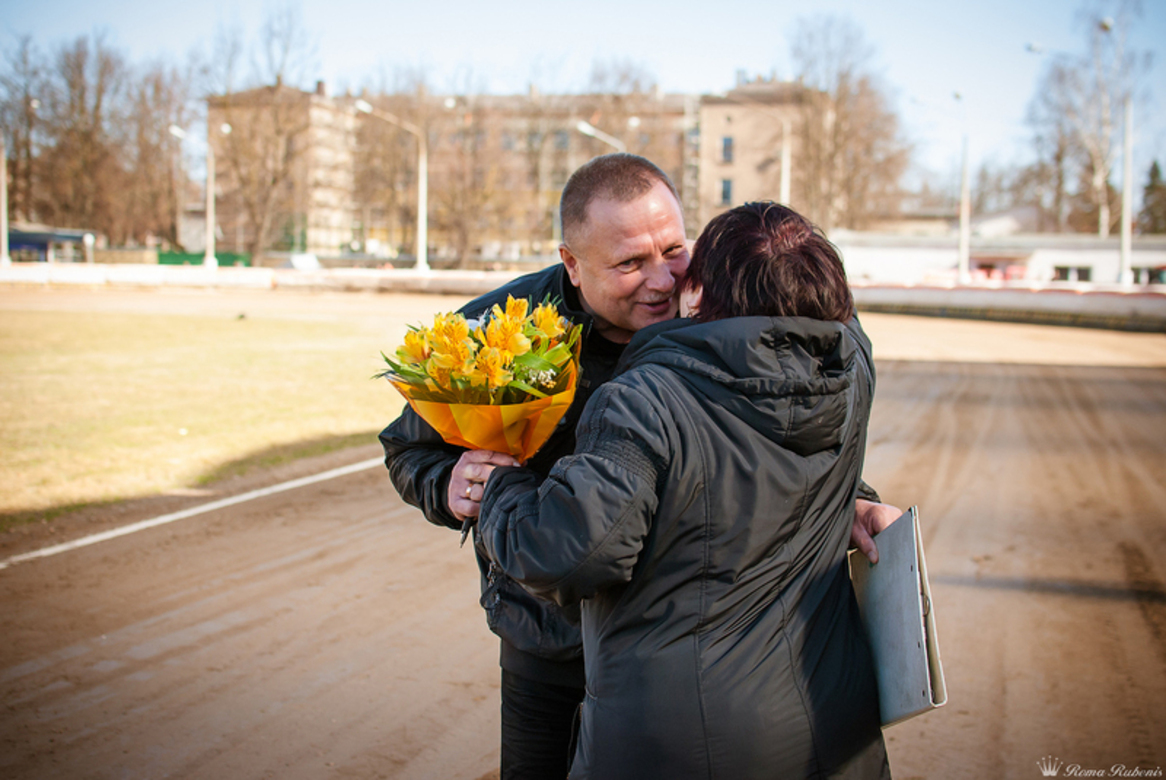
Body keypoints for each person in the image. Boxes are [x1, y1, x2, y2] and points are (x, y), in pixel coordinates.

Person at [379, 154, 897, 779]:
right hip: (548, 640)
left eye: (673, 249)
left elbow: (784, 422)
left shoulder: (733, 307)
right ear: (572, 263)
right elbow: (409, 448)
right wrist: (450, 487)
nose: (662, 280)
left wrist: (848, 497)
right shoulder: (493, 333)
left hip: (670, 650)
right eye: (629, 263)